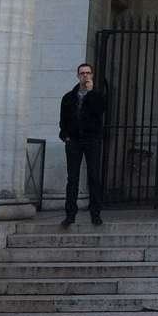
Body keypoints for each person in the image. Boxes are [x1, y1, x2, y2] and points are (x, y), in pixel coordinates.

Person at [59, 62, 107, 227]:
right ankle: (70, 214)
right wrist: (65, 136)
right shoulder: (68, 97)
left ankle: (95, 213)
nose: (85, 76)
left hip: (92, 141)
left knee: (94, 177)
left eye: (88, 73)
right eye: (82, 73)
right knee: (72, 179)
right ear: (78, 75)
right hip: (74, 141)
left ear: (92, 76)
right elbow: (63, 120)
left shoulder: (98, 95)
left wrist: (91, 93)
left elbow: (100, 111)